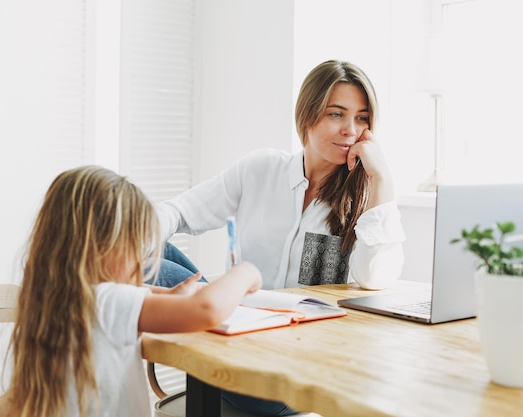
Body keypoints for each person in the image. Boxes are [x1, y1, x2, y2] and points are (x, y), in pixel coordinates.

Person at [154, 60, 406, 416]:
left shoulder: (367, 199)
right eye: (337, 114)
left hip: (294, 370)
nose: (351, 130)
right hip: (238, 337)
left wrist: (382, 179)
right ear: (307, 114)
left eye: (362, 118)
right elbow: (178, 212)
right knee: (141, 245)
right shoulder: (261, 169)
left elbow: (375, 278)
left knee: (139, 265)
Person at [0, 165, 262, 417]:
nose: (142, 256)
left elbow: (15, 400)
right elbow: (206, 311)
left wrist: (167, 297)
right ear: (101, 246)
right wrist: (245, 271)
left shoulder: (57, 300)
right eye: (135, 244)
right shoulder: (107, 300)